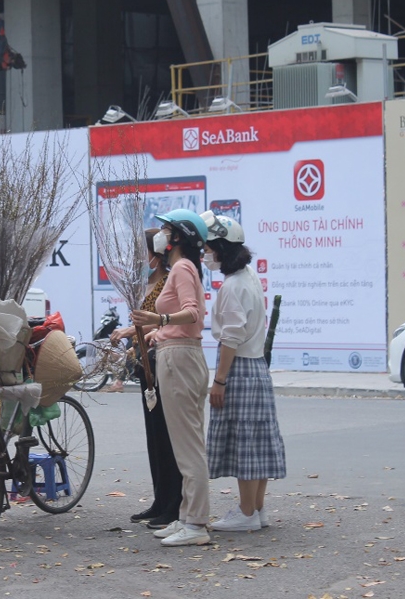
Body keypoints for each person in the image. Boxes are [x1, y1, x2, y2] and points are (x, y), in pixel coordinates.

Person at [200, 211, 286, 532]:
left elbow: (231, 338)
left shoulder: (234, 287)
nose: (207, 253)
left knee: (245, 443)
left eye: (210, 247)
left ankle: (246, 512)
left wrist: (219, 380)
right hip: (256, 369)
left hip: (239, 370)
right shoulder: (248, 276)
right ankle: (257, 509)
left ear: (223, 248)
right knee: (258, 440)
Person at [131, 208, 212, 547]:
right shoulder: (185, 267)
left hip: (179, 358)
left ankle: (195, 523)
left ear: (177, 236)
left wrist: (158, 319)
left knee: (188, 447)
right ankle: (186, 516)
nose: (160, 235)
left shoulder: (181, 267)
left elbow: (193, 313)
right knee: (184, 445)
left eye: (165, 229)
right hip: (175, 353)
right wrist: (155, 331)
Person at [109, 228, 184, 529]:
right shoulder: (144, 283)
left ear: (156, 253)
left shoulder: (168, 282)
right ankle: (159, 499)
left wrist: (130, 331)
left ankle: (173, 505)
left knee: (167, 436)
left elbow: (162, 322)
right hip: (145, 365)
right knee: (153, 436)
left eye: (143, 252)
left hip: (162, 360)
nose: (140, 258)